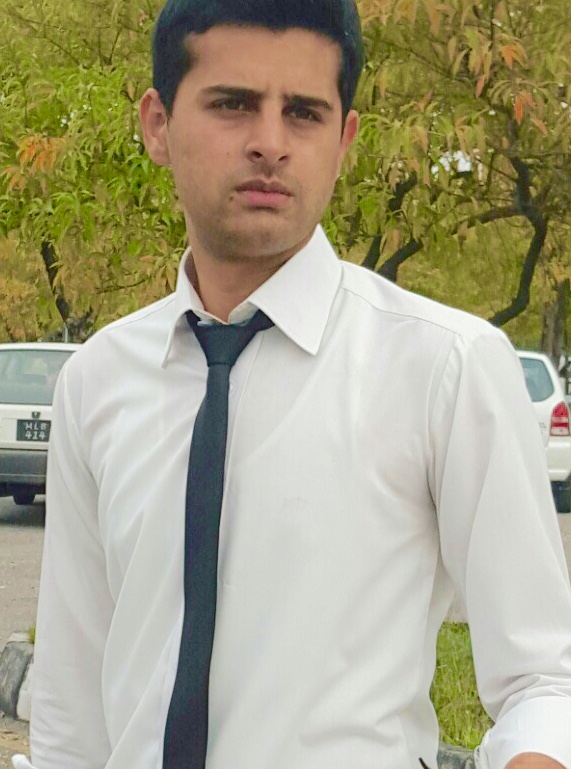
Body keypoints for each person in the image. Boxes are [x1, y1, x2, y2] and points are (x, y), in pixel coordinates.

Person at [13, 1, 571, 768]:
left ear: (343, 140)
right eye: (232, 104)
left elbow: (544, 677)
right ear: (157, 124)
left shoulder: (443, 366)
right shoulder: (97, 381)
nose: (269, 143)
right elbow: (71, 715)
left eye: (303, 113)